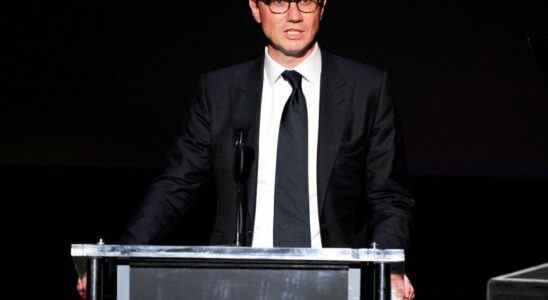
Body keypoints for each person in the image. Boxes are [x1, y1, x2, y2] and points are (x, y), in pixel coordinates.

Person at [78, 0, 415, 299]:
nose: (294, 15)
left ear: (323, 8)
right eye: (280, 3)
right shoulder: (220, 92)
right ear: (256, 9)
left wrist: (391, 270)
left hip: (338, 283)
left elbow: (388, 196)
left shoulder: (366, 89)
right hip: (237, 284)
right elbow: (176, 186)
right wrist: (117, 258)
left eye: (307, 3)